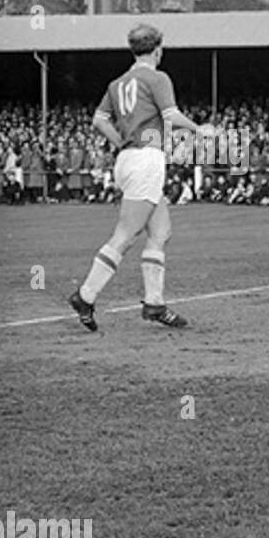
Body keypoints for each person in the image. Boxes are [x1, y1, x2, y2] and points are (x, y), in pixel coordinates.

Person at [68, 24, 212, 331]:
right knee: (125, 235)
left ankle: (155, 303)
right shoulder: (158, 78)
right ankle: (85, 295)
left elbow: (99, 120)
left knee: (160, 231)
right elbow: (171, 116)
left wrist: (122, 142)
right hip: (146, 159)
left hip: (130, 159)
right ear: (158, 49)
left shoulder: (117, 83)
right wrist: (200, 130)